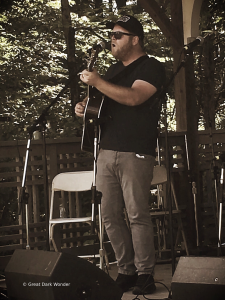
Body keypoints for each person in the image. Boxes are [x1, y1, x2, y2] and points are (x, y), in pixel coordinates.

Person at [75, 15, 166, 295]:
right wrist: (84, 107)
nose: (112, 39)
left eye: (118, 34)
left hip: (135, 151)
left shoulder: (152, 67)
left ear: (135, 39)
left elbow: (134, 97)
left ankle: (145, 274)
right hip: (106, 150)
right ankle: (125, 270)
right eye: (111, 34)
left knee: (137, 214)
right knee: (110, 215)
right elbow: (102, 104)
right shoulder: (113, 71)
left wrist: (98, 81)